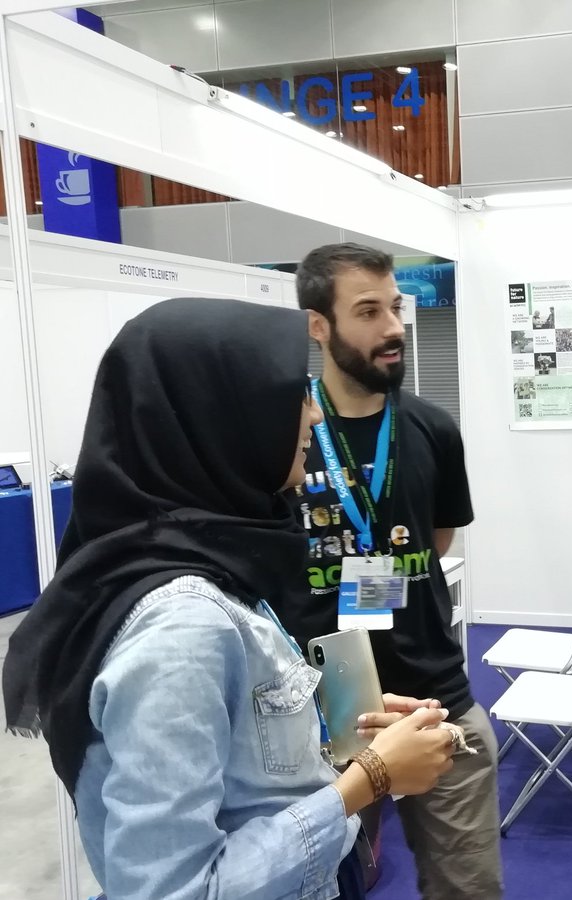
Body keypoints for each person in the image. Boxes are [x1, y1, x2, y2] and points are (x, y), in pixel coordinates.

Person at [1, 297, 455, 900]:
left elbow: (238, 759)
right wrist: (369, 779)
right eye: (295, 395)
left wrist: (330, 726)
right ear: (222, 417)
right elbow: (174, 890)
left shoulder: (213, 561)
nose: (315, 417)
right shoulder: (182, 626)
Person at [284, 244, 502, 899]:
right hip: (317, 718)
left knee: (468, 887)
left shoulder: (432, 428)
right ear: (318, 325)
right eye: (369, 311)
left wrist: (364, 576)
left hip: (436, 702)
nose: (394, 328)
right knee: (323, 886)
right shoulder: (286, 429)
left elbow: (435, 540)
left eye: (397, 309)